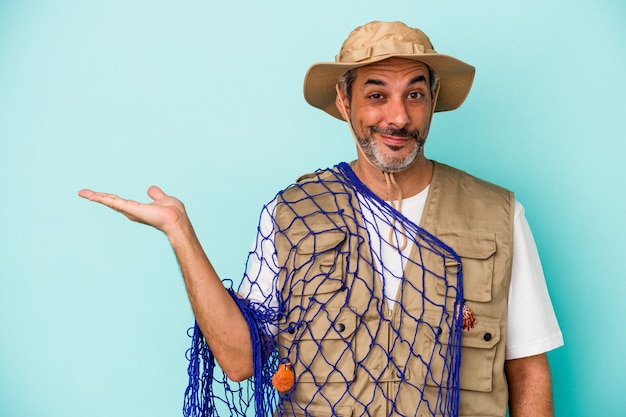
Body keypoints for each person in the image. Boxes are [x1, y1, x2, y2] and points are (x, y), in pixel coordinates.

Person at [79, 21, 563, 417]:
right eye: (377, 95)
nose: (398, 117)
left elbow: (528, 371)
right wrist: (180, 233)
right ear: (344, 101)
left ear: (433, 101)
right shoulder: (292, 213)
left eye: (414, 94)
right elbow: (239, 359)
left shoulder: (498, 214)